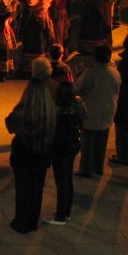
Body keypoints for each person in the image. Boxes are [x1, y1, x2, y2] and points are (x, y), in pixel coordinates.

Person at [6, 58, 56, 234]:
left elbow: (11, 123)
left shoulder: (27, 103)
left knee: (23, 189)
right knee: (37, 189)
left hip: (24, 151)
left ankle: (22, 221)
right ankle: (33, 221)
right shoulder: (50, 105)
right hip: (43, 151)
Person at [75, 44, 121, 177]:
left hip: (92, 111)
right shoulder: (115, 72)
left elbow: (77, 88)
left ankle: (86, 169)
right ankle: (98, 167)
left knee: (88, 143)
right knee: (101, 141)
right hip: (108, 110)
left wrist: (79, 74)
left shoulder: (92, 72)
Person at [44, 81, 85, 226]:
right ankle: (66, 212)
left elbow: (53, 132)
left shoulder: (59, 113)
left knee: (61, 181)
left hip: (61, 149)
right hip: (73, 146)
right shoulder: (77, 109)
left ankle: (60, 215)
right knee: (67, 178)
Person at [112, 33, 128, 166]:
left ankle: (123, 155)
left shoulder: (125, 63)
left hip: (126, 100)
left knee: (123, 128)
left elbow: (120, 81)